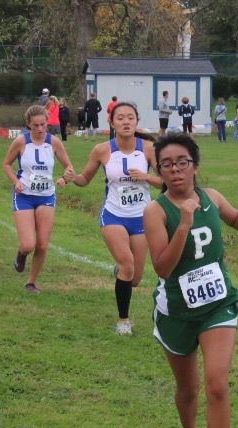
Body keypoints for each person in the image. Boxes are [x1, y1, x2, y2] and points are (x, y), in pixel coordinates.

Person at [143, 133, 238, 428]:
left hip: (218, 305)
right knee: (188, 389)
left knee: (217, 384)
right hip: (177, 311)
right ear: (159, 171)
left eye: (183, 162)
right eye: (167, 164)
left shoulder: (212, 197)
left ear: (195, 165)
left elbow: (235, 216)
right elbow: (163, 267)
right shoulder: (155, 211)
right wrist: (183, 222)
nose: (176, 170)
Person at [68, 102, 162, 334]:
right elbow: (84, 180)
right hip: (114, 215)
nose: (126, 122)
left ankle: (119, 270)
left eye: (130, 117)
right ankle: (123, 321)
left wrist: (146, 177)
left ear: (137, 121)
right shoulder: (102, 150)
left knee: (136, 278)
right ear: (111, 122)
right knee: (127, 265)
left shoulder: (149, 148)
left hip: (142, 217)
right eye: (120, 118)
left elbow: (167, 182)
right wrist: (73, 176)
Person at [1, 105, 75, 294]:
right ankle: (21, 254)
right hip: (24, 195)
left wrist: (64, 177)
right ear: (29, 125)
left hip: (46, 196)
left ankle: (31, 282)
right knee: (28, 244)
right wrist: (16, 181)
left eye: (43, 125)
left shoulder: (55, 142)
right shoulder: (20, 142)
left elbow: (68, 167)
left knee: (42, 244)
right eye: (36, 126)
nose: (40, 129)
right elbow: (7, 164)